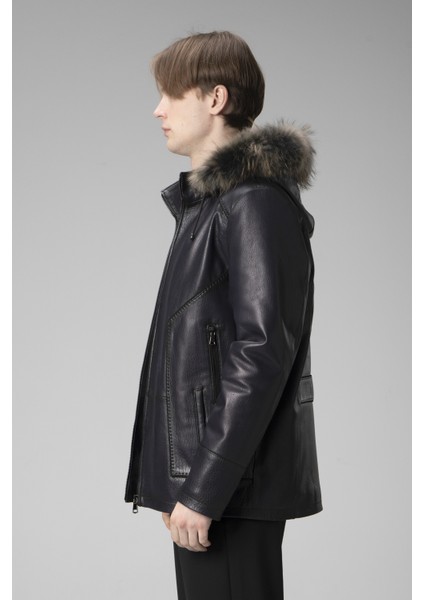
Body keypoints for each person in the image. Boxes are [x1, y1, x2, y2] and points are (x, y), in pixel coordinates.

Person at [124, 30, 323, 600]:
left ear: (215, 99)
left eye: (171, 93)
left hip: (229, 488)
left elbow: (262, 353)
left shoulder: (252, 202)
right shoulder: (212, 207)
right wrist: (186, 482)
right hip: (218, 483)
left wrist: (204, 487)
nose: (158, 109)